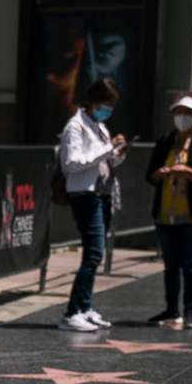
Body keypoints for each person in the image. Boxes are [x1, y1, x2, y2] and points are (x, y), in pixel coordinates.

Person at [56, 75, 128, 331]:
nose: (108, 110)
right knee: (94, 252)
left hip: (102, 193)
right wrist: (106, 150)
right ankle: (72, 311)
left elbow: (102, 162)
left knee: (95, 253)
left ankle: (85, 306)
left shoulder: (99, 126)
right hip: (85, 195)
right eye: (106, 104)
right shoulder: (74, 127)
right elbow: (72, 163)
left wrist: (117, 153)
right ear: (94, 101)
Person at [144, 92, 192, 329]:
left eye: (187, 114)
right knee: (170, 263)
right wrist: (160, 174)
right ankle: (171, 308)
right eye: (178, 113)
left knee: (190, 264)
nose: (182, 118)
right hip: (166, 211)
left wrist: (189, 172)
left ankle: (190, 311)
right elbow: (150, 174)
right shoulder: (165, 141)